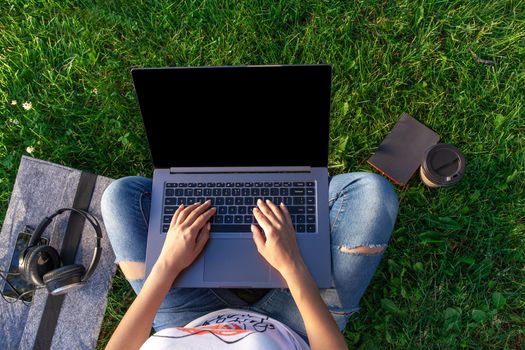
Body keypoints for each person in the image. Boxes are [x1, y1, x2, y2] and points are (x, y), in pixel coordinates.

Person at [101, 172, 398, 349]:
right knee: (371, 195)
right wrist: (293, 266)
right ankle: (295, 186)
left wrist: (167, 265)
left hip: (186, 319)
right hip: (295, 326)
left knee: (120, 198)